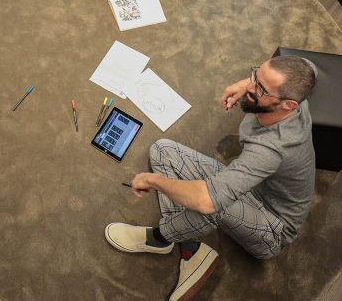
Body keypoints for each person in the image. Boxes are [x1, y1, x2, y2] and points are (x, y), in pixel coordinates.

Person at [105, 56, 317, 301]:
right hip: (253, 187)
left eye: (260, 88)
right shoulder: (300, 82)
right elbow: (308, 63)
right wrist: (246, 85)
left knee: (213, 203)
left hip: (272, 226)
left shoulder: (271, 149)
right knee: (162, 150)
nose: (251, 87)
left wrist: (153, 181)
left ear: (289, 105)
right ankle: (190, 248)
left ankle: (160, 238)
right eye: (255, 76)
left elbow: (208, 201)